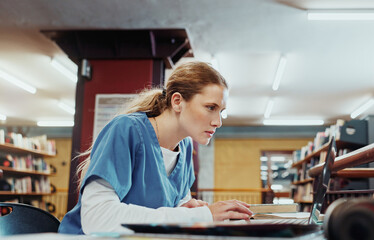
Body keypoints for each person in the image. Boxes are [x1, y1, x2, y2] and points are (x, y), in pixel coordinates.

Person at [58, 62, 253, 234]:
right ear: (177, 102)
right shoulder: (127, 130)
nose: (218, 122)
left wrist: (185, 208)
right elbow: (97, 219)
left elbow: (172, 209)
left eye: (221, 112)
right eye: (210, 108)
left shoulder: (184, 147)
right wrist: (201, 215)